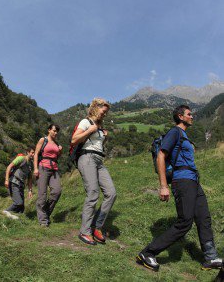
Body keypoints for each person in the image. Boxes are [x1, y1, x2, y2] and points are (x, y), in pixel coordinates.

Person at [137, 105, 222, 271]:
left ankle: (210, 257)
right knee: (185, 222)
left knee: (204, 218)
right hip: (182, 181)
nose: (192, 117)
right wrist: (163, 186)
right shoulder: (174, 132)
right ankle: (148, 253)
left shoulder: (184, 135)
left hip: (193, 182)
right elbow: (161, 156)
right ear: (180, 116)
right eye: (189, 114)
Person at [71, 98, 116, 245]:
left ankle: (97, 227)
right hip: (87, 158)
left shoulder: (100, 126)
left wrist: (105, 138)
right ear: (96, 108)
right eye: (103, 112)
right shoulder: (86, 122)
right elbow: (74, 140)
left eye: (106, 113)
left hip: (98, 160)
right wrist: (90, 130)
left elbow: (98, 144)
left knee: (111, 193)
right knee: (93, 193)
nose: (105, 115)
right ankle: (85, 231)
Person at [34, 124, 62, 227]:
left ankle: (45, 213)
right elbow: (36, 153)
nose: (56, 133)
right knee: (42, 195)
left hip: (54, 169)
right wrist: (36, 168)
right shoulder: (43, 140)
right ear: (49, 130)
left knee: (57, 191)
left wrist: (60, 150)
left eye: (57, 131)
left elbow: (57, 156)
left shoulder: (56, 143)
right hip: (43, 167)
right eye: (54, 130)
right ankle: (43, 221)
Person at [3, 148, 35, 220]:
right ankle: (5, 212)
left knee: (21, 208)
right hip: (14, 182)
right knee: (18, 203)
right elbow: (9, 167)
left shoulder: (31, 164)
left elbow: (30, 179)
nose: (33, 155)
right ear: (27, 152)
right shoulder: (21, 158)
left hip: (21, 185)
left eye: (35, 153)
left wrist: (30, 190)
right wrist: (6, 180)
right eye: (32, 153)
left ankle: (15, 221)